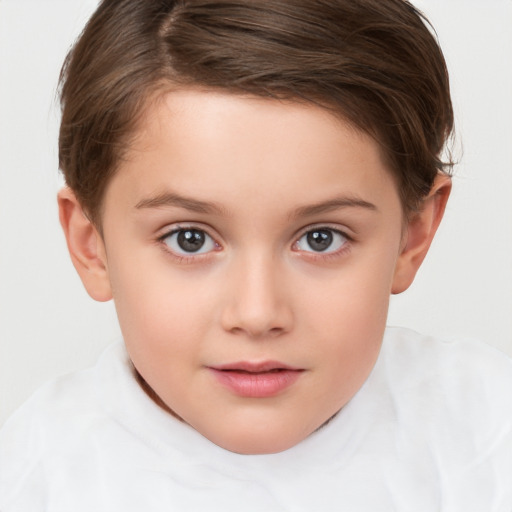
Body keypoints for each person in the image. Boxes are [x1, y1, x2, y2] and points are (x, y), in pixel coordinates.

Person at [1, 0, 511, 510]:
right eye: (190, 239)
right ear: (93, 247)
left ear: (413, 235)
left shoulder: (485, 431)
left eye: (321, 238)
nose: (257, 313)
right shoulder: (34, 478)